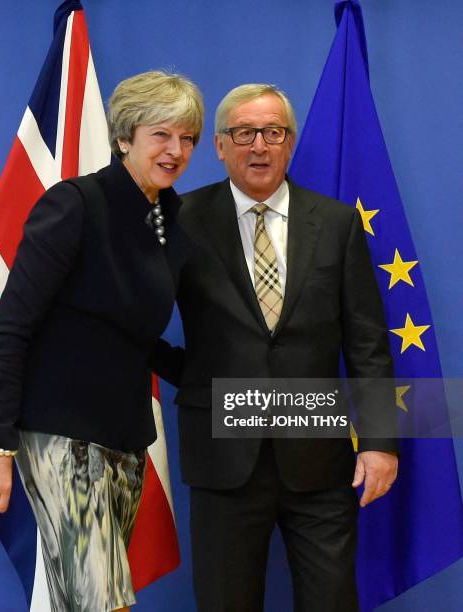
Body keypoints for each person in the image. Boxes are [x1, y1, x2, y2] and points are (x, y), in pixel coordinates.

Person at [153, 84, 398, 612]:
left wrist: (380, 441)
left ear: (289, 143)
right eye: (244, 133)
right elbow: (136, 322)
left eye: (273, 132)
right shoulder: (180, 221)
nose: (259, 146)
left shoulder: (336, 223)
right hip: (223, 461)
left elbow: (367, 340)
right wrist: (197, 378)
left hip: (320, 459)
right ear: (219, 145)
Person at [0, 70, 203, 612]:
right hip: (59, 433)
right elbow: (12, 326)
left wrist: (221, 384)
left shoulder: (170, 219)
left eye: (188, 138)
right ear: (124, 138)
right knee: (102, 603)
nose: (176, 150)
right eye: (161, 135)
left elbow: (131, 335)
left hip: (125, 439)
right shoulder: (75, 203)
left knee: (83, 601)